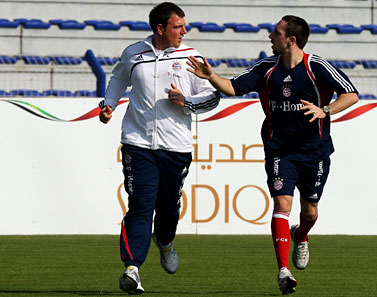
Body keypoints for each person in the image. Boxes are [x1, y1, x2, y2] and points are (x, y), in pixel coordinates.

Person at [186, 15, 359, 295]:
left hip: (314, 151)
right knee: (282, 204)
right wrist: (212, 77)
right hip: (279, 149)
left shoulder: (316, 67)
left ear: (290, 40)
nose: (270, 36)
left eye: (275, 33)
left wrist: (324, 110)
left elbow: (351, 94)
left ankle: (300, 235)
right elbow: (234, 87)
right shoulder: (266, 68)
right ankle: (283, 271)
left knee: (310, 209)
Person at [98, 2, 220, 295]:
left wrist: (186, 101)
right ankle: (132, 269)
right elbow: (117, 79)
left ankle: (165, 242)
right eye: (178, 26)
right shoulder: (134, 53)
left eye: (184, 26)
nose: (184, 31)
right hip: (137, 143)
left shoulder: (192, 57)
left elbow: (213, 98)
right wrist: (108, 104)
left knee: (168, 209)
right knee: (140, 204)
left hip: (175, 147)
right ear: (160, 29)